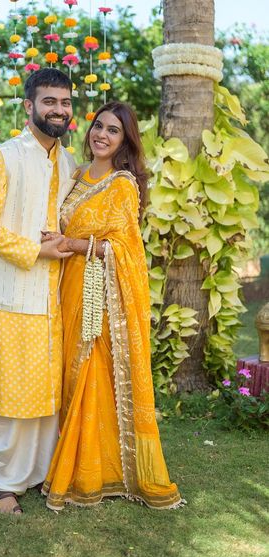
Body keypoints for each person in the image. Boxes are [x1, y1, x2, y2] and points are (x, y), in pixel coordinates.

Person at [42, 101, 184, 510]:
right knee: (70, 372)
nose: (102, 134)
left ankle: (92, 471)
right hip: (65, 286)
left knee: (93, 375)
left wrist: (73, 243)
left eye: (113, 130)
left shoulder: (122, 184)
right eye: (98, 126)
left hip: (99, 294)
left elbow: (124, 248)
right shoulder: (76, 175)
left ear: (126, 140)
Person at [0, 68, 76, 515]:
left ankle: (37, 474)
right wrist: (35, 251)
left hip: (51, 297)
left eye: (64, 103)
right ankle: (1, 482)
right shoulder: (3, 157)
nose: (58, 110)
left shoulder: (67, 163)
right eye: (49, 102)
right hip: (7, 293)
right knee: (4, 392)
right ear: (29, 107)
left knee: (44, 393)